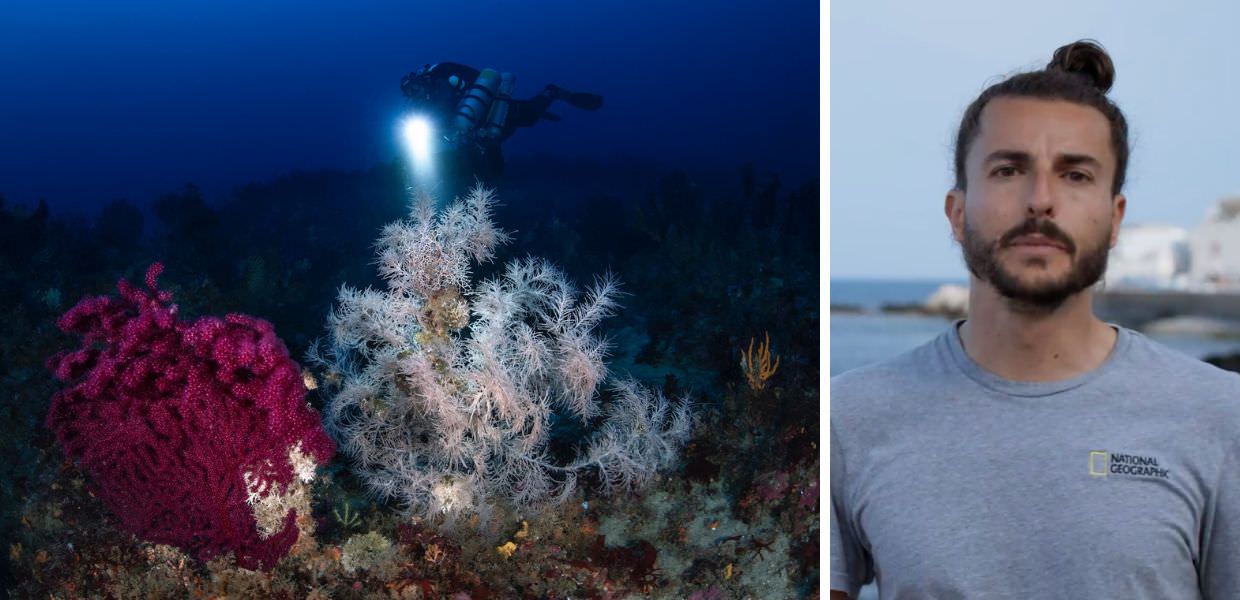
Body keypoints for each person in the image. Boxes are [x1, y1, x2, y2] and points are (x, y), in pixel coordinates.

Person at [830, 40, 1240, 599]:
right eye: (1007, 170)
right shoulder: (847, 421)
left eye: (1075, 175)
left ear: (1115, 219)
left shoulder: (1220, 416)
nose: (1040, 200)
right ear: (957, 211)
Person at [399, 62, 603, 182]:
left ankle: (552, 92)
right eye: (410, 94)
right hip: (481, 128)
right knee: (487, 160)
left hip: (491, 112)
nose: (415, 94)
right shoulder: (423, 106)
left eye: (415, 88)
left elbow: (445, 112)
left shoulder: (440, 84)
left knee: (528, 116)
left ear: (421, 81)